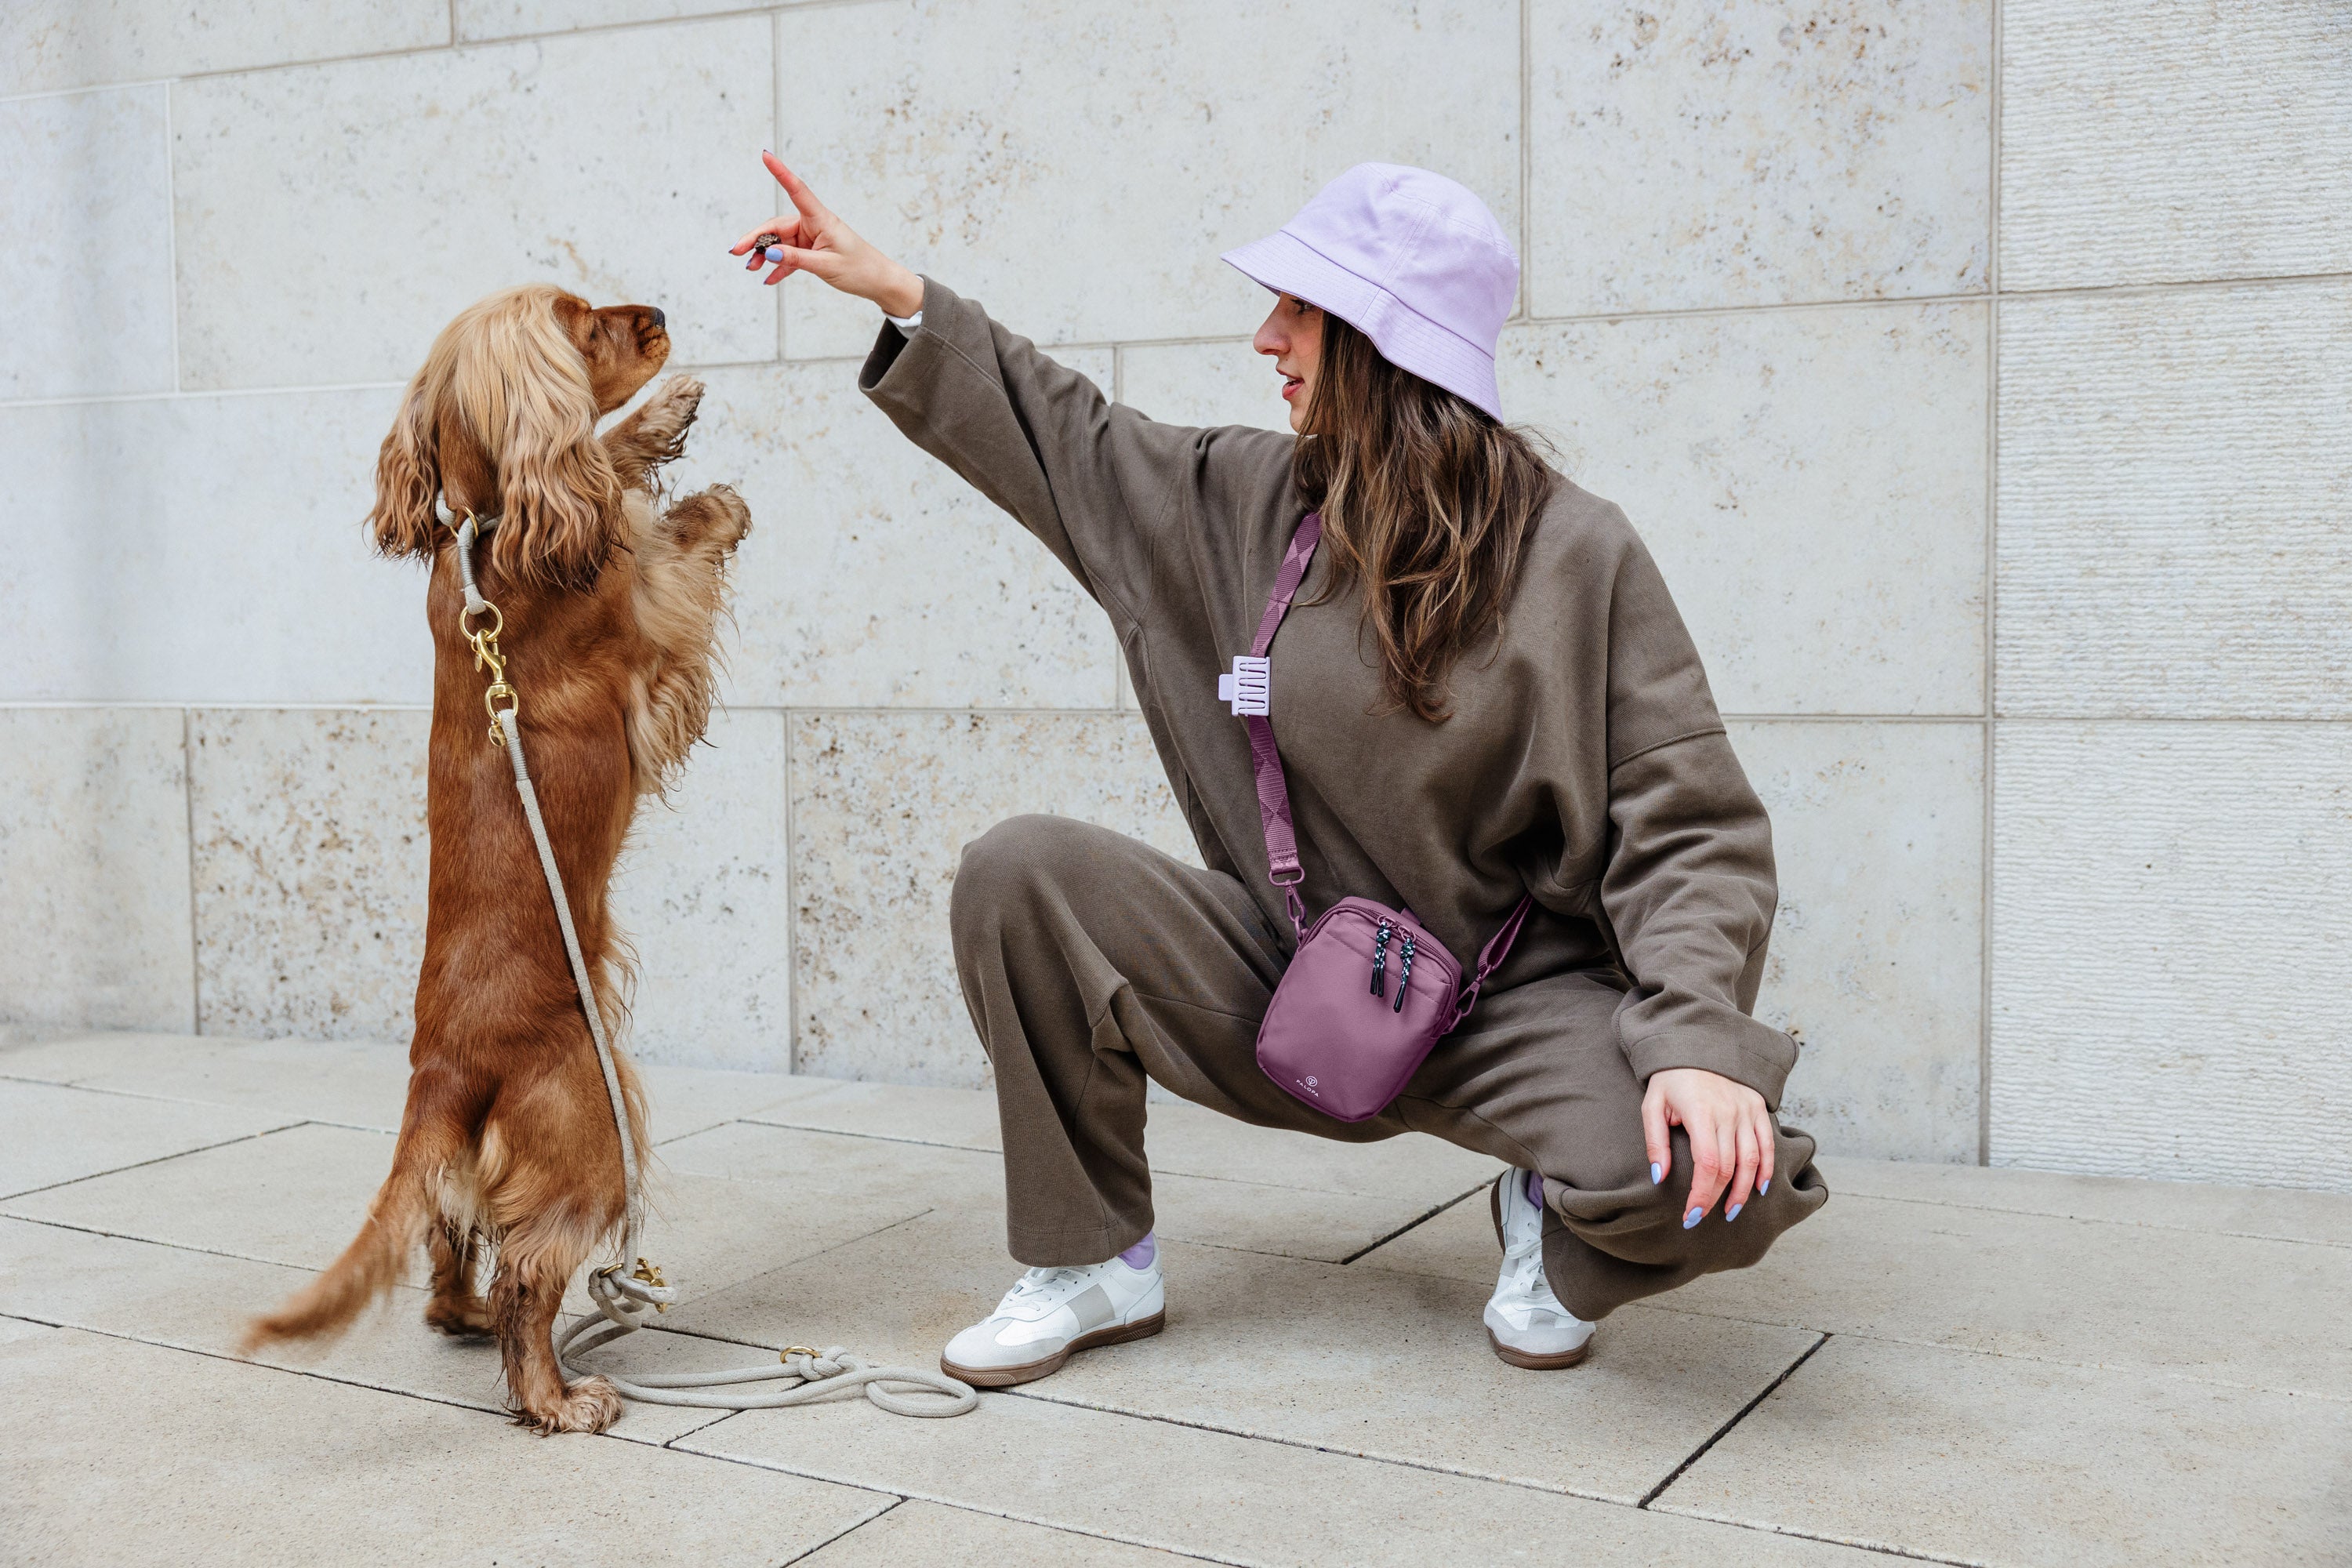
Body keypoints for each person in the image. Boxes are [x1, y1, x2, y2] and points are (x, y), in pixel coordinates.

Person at [732, 155, 1826, 1388]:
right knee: (1021, 874)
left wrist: (1693, 1042)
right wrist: (899, 292)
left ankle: (1550, 1217)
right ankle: (1095, 1259)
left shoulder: (1578, 554)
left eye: (1298, 311)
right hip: (1292, 974)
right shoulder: (1245, 499)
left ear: (1377, 338)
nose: (1266, 338)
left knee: (1722, 1177)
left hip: (1509, 1013)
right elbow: (1071, 441)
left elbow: (1693, 825)